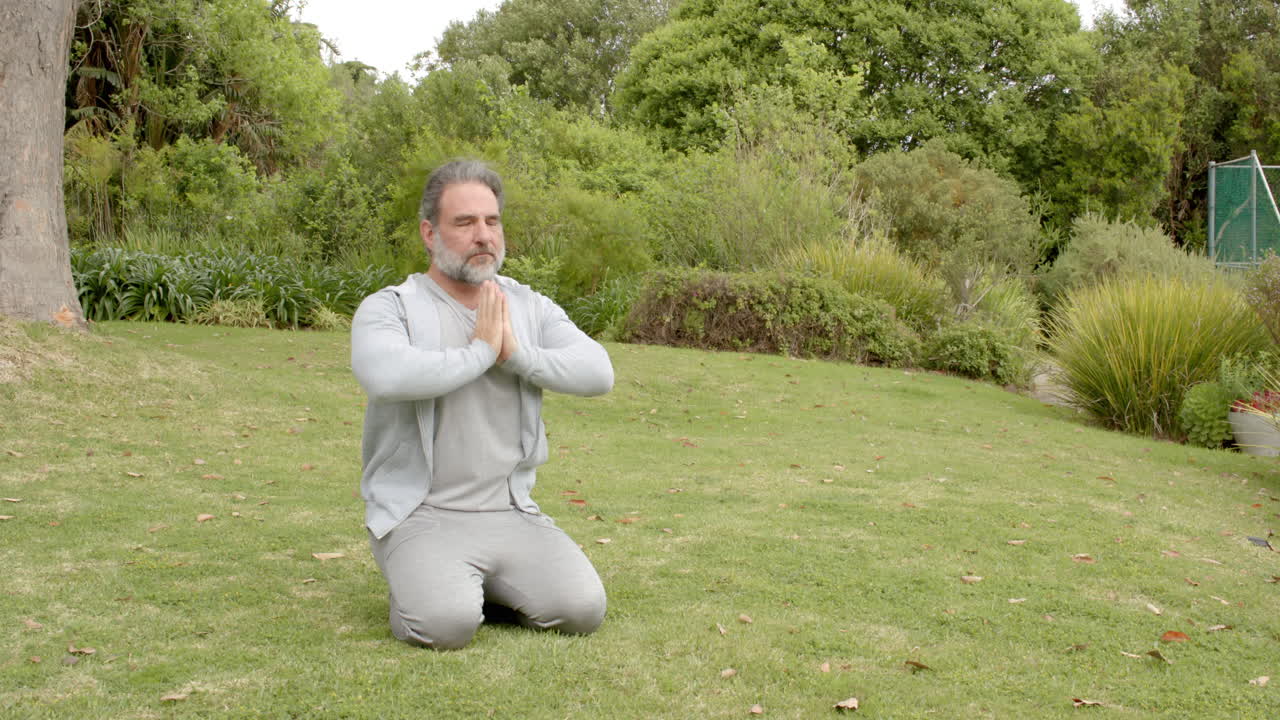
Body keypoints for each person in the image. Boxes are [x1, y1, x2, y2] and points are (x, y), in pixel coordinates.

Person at [350, 159, 614, 649]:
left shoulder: (528, 306)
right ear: (429, 233)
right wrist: (480, 353)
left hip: (510, 512)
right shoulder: (391, 307)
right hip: (420, 514)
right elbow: (386, 376)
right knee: (444, 626)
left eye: (492, 221)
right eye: (464, 222)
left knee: (582, 610)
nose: (483, 235)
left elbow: (599, 372)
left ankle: (473, 583)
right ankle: (426, 586)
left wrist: (515, 355)